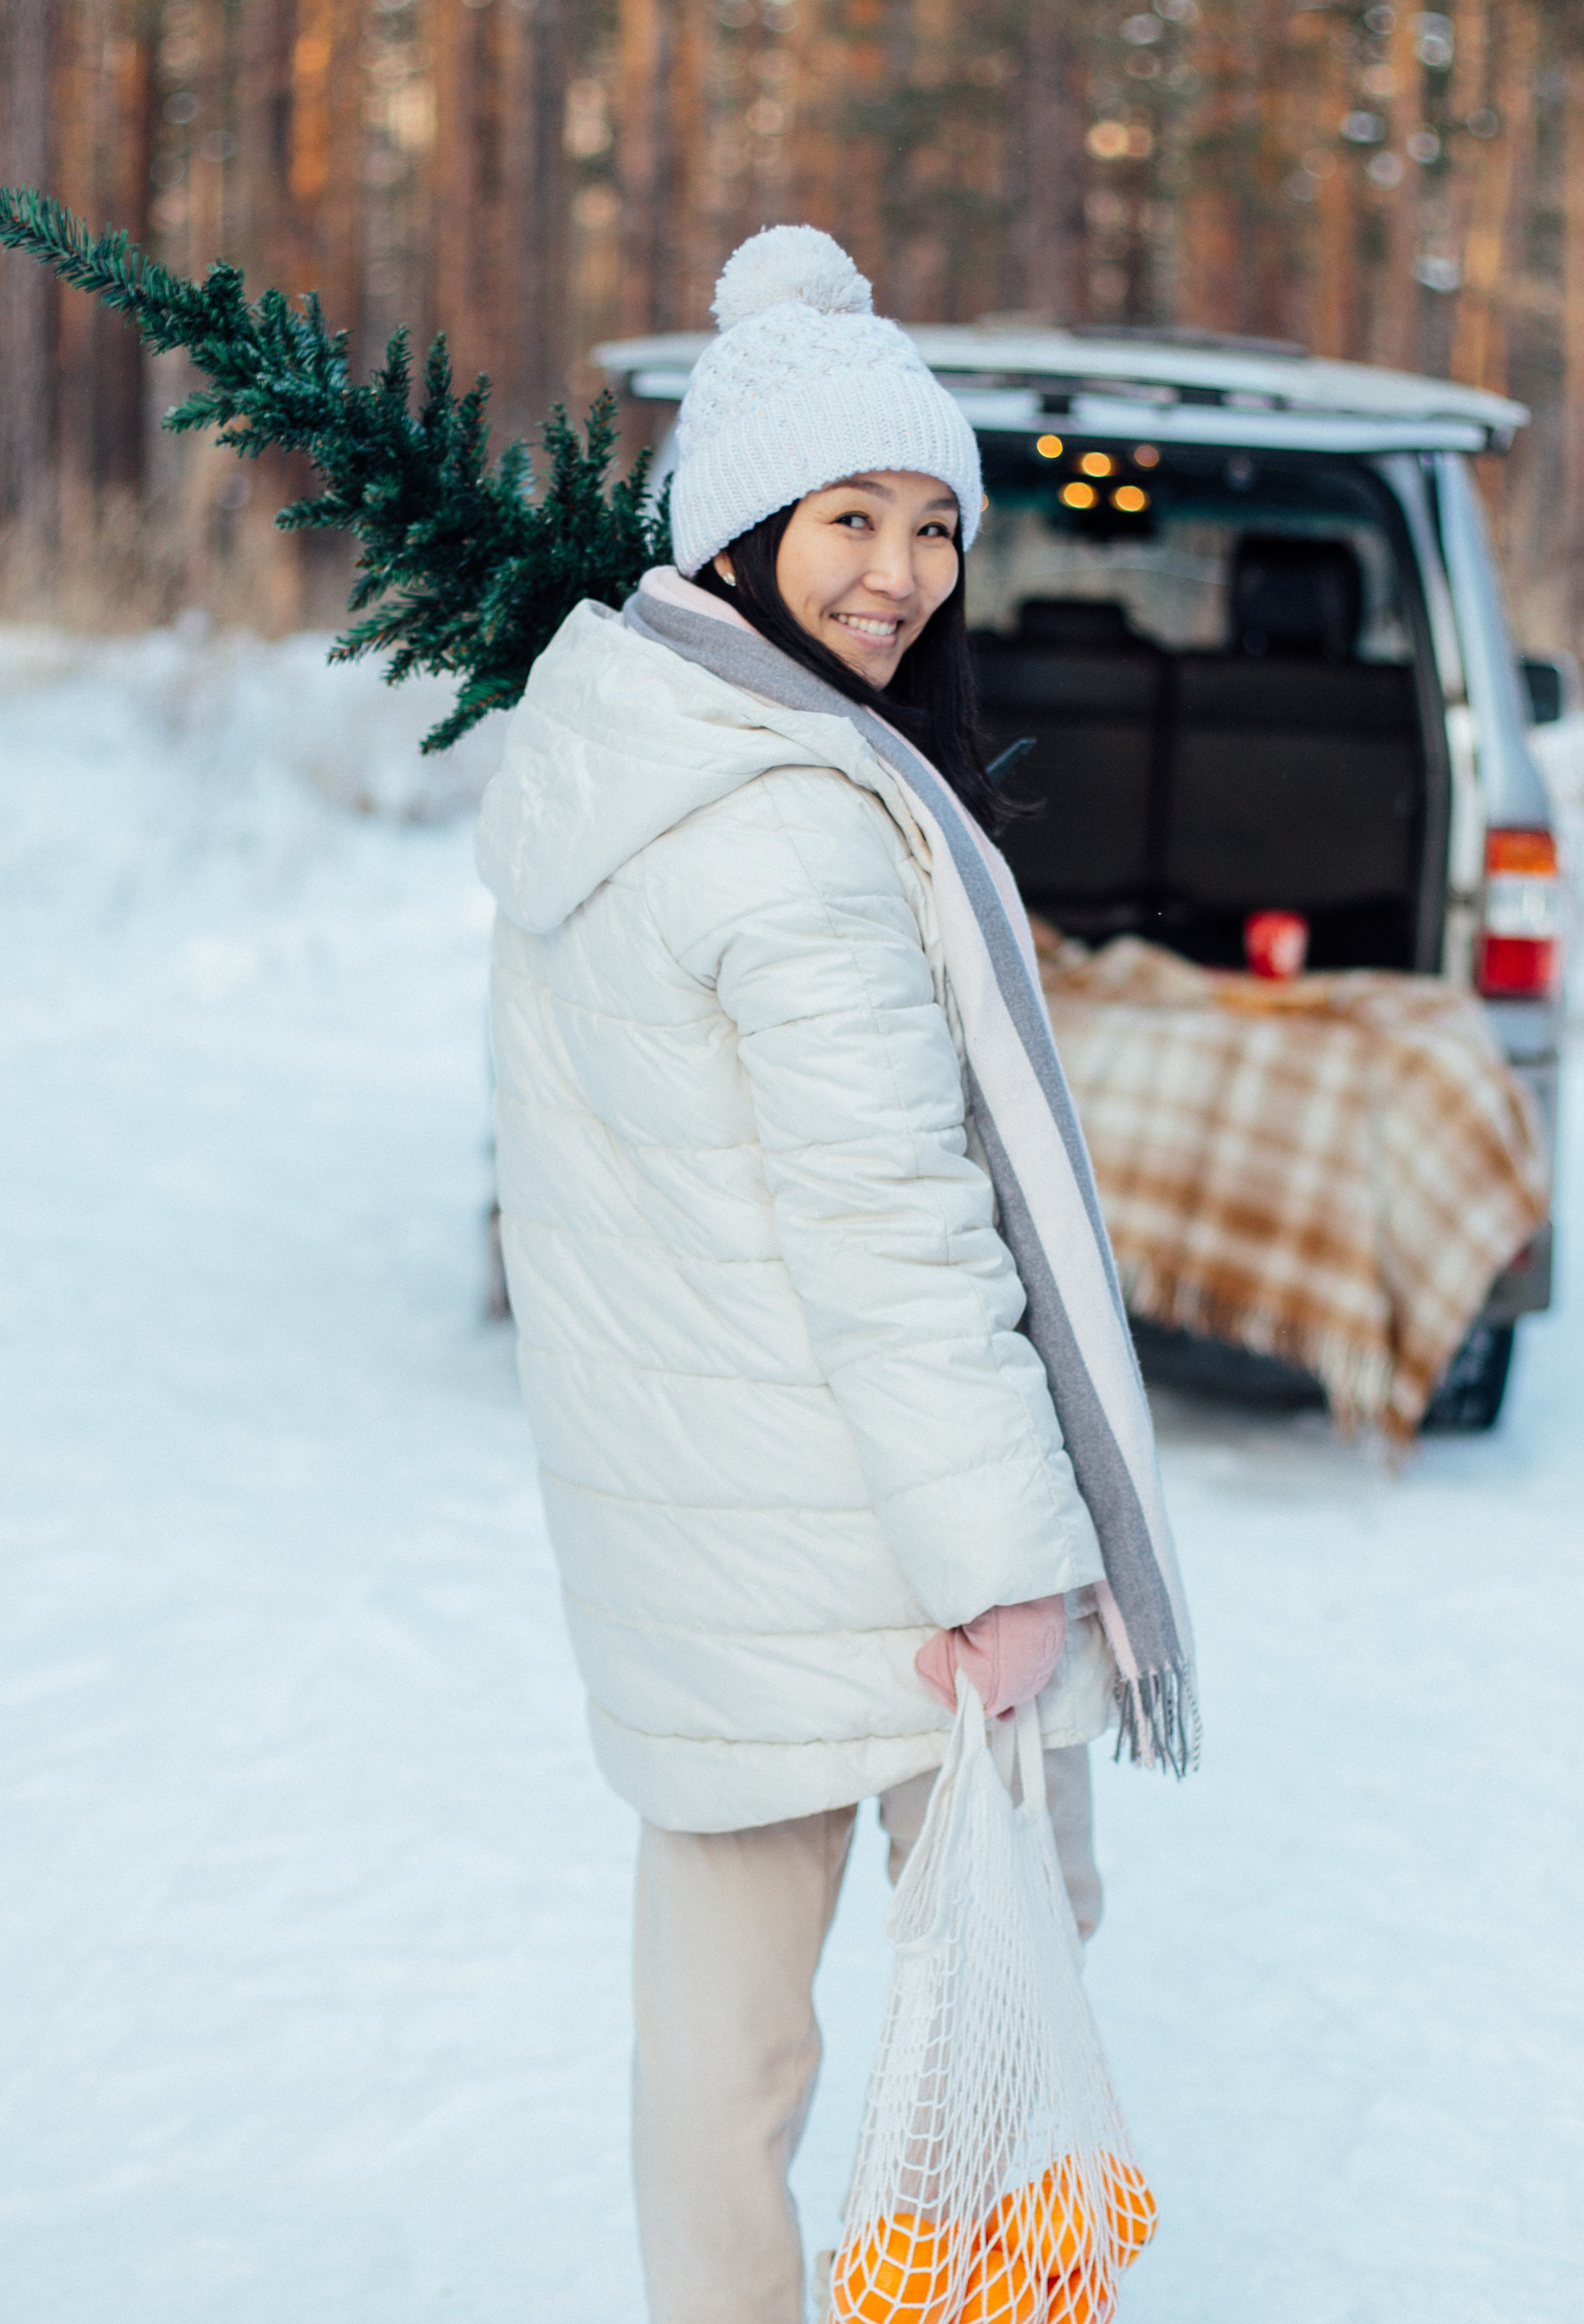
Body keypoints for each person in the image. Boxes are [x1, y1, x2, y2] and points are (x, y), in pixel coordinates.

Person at [476, 226, 1193, 2324]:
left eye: (931, 526)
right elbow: (892, 1235)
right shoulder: (792, 829)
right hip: (870, 1543)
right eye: (848, 521)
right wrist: (1009, 1570)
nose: (897, 573)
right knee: (1005, 1978)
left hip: (687, 1542)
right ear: (744, 531)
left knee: (716, 2054)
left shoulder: (611, 753)